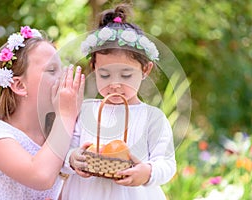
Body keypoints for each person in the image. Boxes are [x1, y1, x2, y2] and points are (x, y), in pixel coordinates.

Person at [61, 4, 176, 200]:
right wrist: (72, 158)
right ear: (94, 68)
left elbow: (167, 163)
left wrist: (147, 172)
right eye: (105, 75)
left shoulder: (152, 118)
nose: (115, 84)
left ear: (145, 70)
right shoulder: (85, 111)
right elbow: (65, 149)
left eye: (125, 75)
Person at [0, 26, 85, 199]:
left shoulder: (59, 135)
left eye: (62, 69)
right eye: (51, 70)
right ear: (20, 86)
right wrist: (66, 115)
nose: (63, 77)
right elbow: (41, 175)